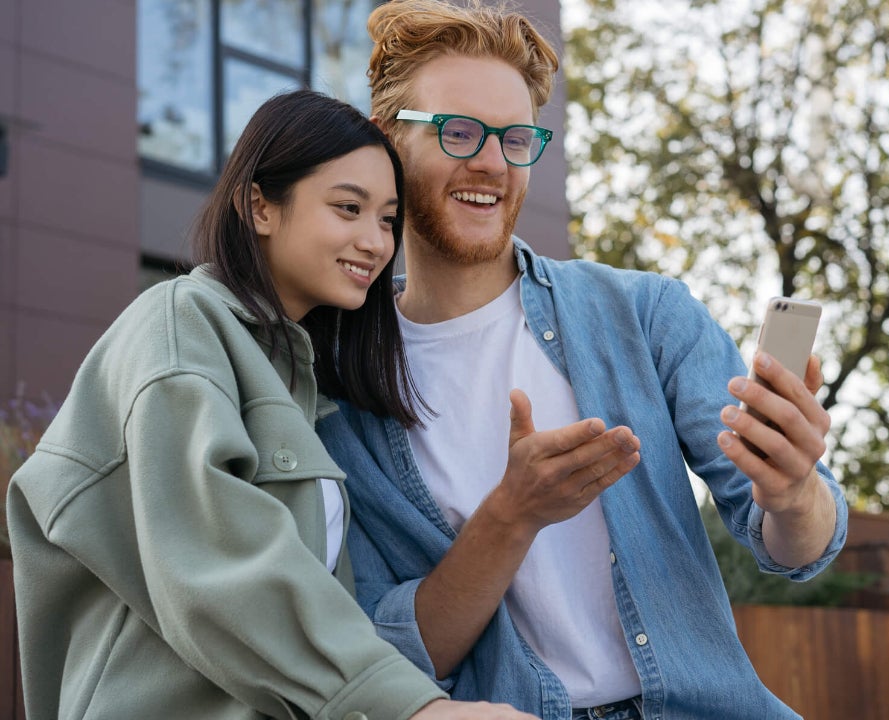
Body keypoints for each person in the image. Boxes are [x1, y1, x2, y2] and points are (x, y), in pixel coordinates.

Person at [314, 2, 850, 718]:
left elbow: (797, 546)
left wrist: (792, 495)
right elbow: (399, 660)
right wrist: (512, 515)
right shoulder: (337, 390)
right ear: (387, 144)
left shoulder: (643, 314)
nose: (491, 163)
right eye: (458, 132)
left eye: (515, 138)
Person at [5, 89, 536, 720]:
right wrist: (415, 709)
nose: (374, 241)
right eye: (348, 208)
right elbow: (215, 567)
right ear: (259, 205)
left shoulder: (301, 380)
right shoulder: (179, 326)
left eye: (388, 220)